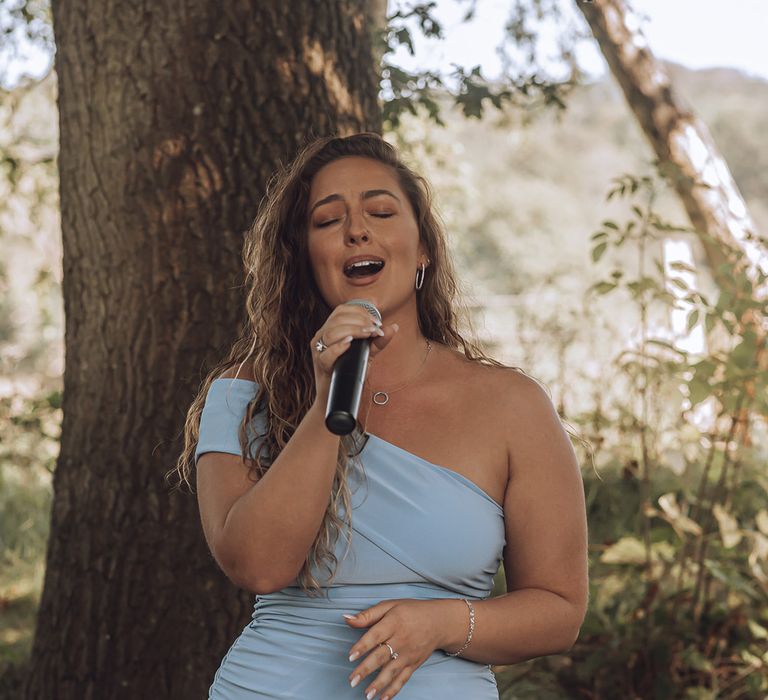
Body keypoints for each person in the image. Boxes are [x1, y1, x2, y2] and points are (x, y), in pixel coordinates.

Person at [171, 132, 589, 699]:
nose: (356, 229)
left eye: (381, 211)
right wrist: (324, 402)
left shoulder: (512, 404)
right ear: (305, 257)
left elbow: (558, 610)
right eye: (327, 220)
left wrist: (443, 623)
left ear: (422, 251)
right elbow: (258, 566)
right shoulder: (243, 393)